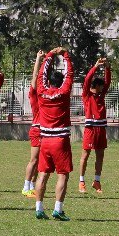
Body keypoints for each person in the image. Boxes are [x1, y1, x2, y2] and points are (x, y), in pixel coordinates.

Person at [34, 47, 74, 220]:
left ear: (48, 82)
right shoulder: (64, 93)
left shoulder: (41, 92)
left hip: (45, 141)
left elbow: (41, 74)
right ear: (61, 81)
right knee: (62, 174)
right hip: (60, 140)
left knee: (43, 174)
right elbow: (70, 74)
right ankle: (58, 209)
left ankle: (39, 209)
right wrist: (65, 54)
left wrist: (49, 55)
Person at [79, 57, 110, 193]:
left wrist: (107, 68)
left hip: (101, 129)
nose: (104, 88)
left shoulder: (101, 95)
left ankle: (97, 181)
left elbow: (108, 82)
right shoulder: (87, 95)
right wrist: (96, 67)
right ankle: (81, 181)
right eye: (101, 86)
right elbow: (87, 81)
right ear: (96, 86)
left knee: (100, 155)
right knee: (85, 155)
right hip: (90, 129)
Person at [22, 50, 44, 198]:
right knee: (34, 160)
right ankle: (26, 186)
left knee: (41, 162)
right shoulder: (34, 94)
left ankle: (33, 187)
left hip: (46, 131)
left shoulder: (45, 94)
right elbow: (35, 76)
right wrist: (39, 59)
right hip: (37, 129)